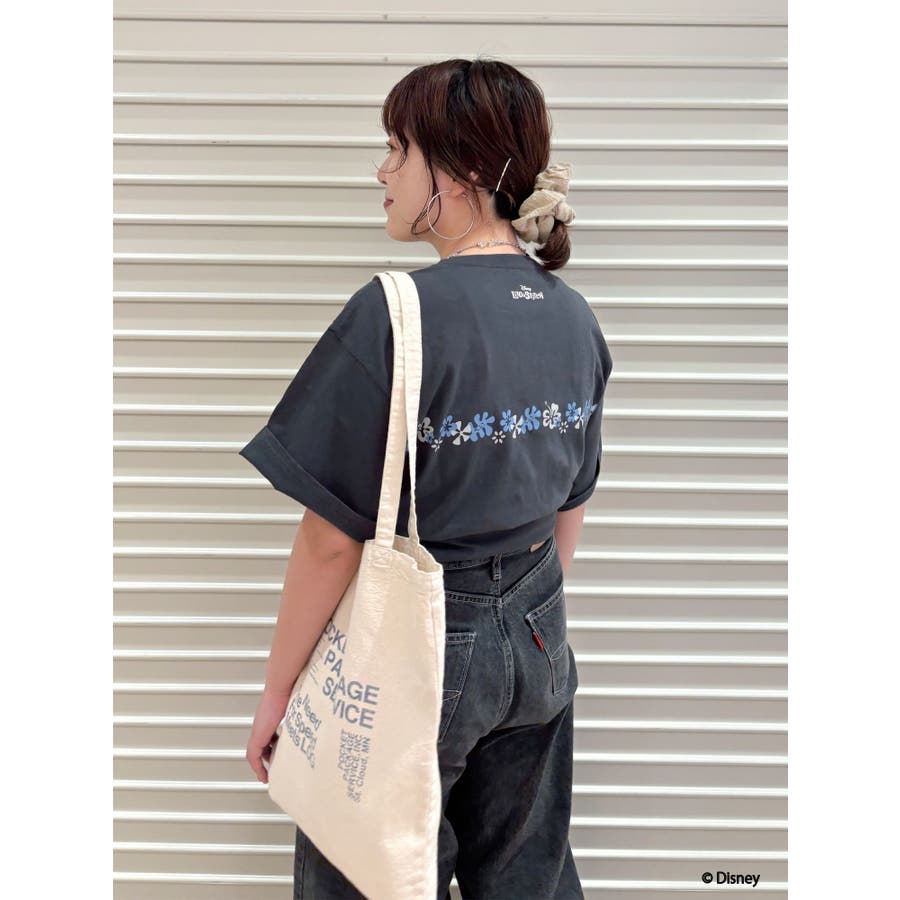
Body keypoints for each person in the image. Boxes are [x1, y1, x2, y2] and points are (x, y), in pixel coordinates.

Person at [240, 57, 613, 900]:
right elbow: (572, 504)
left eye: (397, 149)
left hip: (426, 648)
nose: (383, 172)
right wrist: (525, 621)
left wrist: (277, 693)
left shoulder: (394, 312)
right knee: (526, 877)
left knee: (366, 873)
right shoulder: (572, 315)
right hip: (541, 633)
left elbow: (331, 542)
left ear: (462, 169)